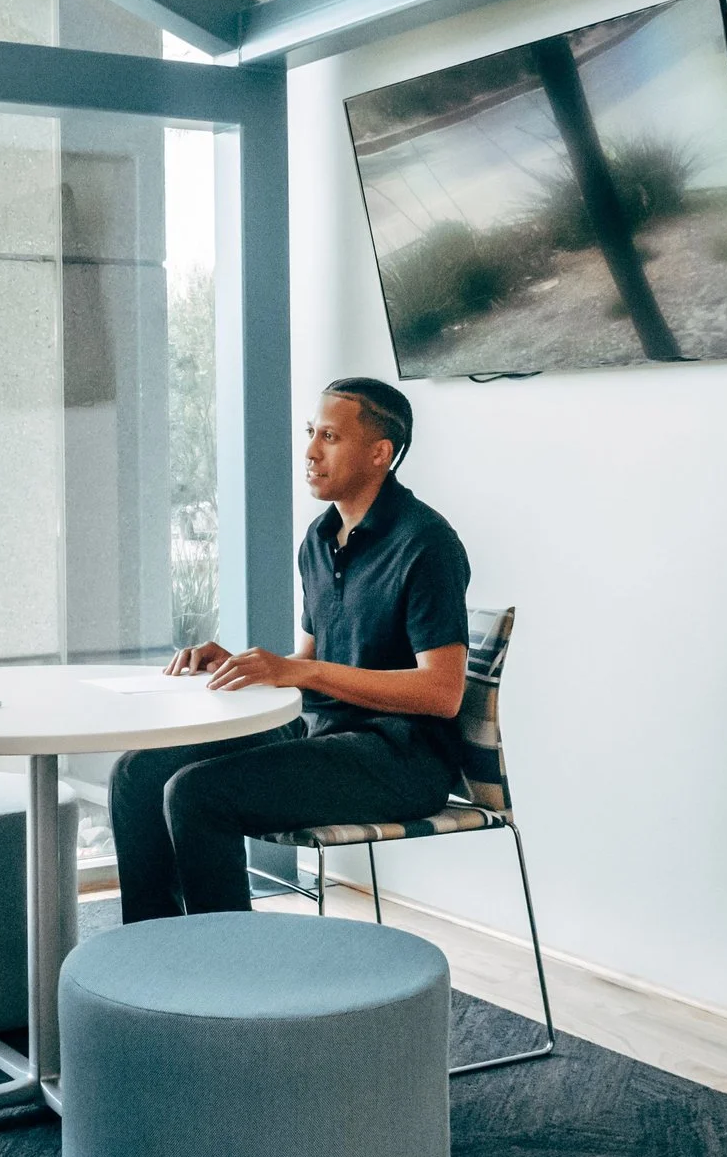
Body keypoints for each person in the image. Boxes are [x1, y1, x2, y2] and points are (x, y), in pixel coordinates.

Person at [110, 376, 471, 919]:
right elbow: (309, 660)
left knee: (197, 794)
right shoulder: (320, 539)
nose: (309, 451)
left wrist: (304, 675)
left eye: (329, 436)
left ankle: (233, 980)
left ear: (379, 454)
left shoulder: (425, 543)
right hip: (321, 732)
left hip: (399, 758)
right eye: (311, 432)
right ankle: (151, 959)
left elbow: (442, 693)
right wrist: (247, 665)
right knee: (138, 774)